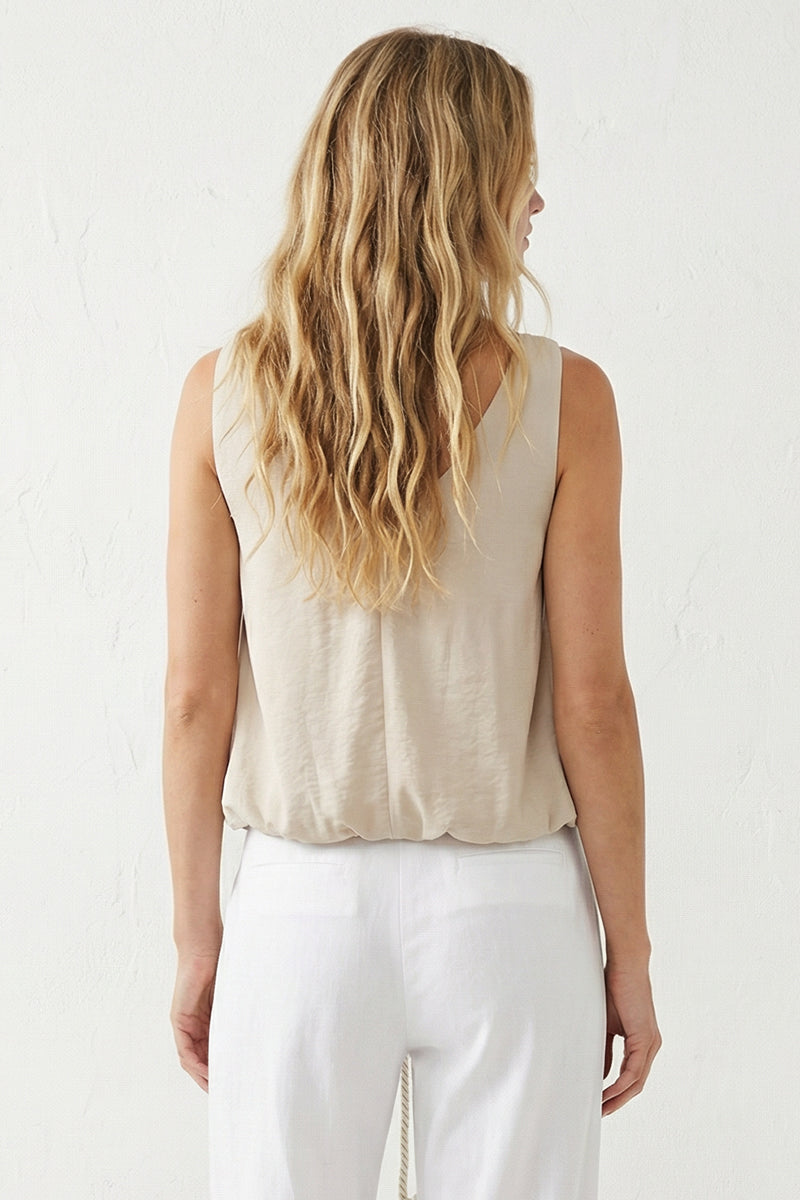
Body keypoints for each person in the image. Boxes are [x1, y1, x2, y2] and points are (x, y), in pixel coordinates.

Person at [162, 25, 661, 1200]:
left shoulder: (222, 396)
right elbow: (592, 702)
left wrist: (197, 935)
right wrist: (629, 952)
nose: (536, 200)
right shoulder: (566, 400)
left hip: (297, 907)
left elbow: (193, 700)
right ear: (465, 186)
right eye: (519, 169)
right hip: (509, 911)